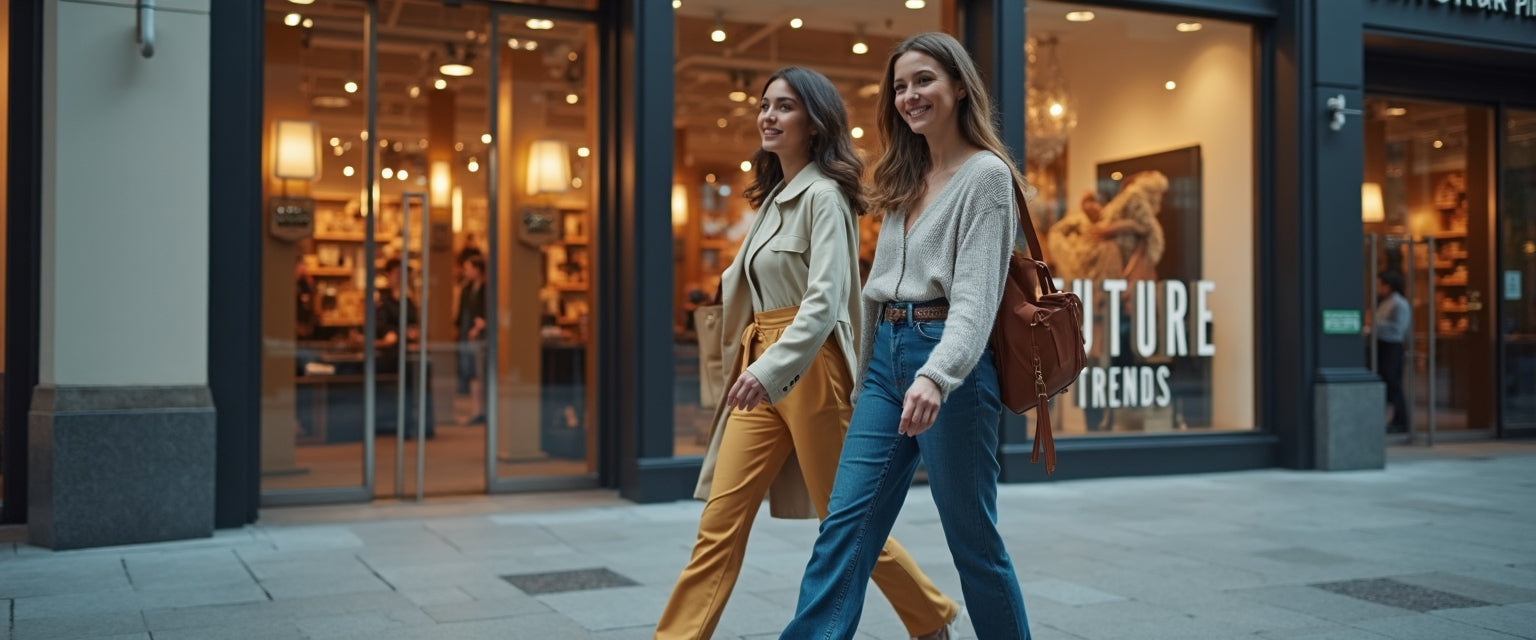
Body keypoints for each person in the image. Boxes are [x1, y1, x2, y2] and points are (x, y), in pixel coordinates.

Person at [654, 66, 961, 640]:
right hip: (762, 365)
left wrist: (768, 370)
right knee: (720, 520)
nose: (768, 116)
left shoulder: (824, 196)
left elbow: (823, 305)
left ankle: (928, 616)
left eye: (785, 106)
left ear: (815, 124)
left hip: (809, 369)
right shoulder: (772, 200)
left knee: (843, 520)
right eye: (765, 105)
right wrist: (752, 365)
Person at [778, 33, 1033, 639]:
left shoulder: (987, 177)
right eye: (900, 86)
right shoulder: (901, 175)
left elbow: (975, 300)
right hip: (888, 364)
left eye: (924, 80)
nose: (910, 96)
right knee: (845, 526)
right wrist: (872, 376)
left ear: (958, 86)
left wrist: (936, 376)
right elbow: (879, 292)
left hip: (949, 367)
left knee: (972, 539)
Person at [1375, 270, 1411, 432]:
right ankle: (1394, 420)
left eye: (1379, 284)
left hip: (1392, 346)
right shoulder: (1385, 302)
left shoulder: (1399, 303)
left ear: (1388, 286)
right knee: (1388, 384)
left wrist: (1375, 325)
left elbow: (1398, 328)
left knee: (1394, 384)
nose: (1377, 288)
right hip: (1382, 345)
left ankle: (1401, 421)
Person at [455, 252, 488, 424]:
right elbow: (462, 315)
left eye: (468, 268)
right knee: (472, 373)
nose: (465, 272)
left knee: (482, 372)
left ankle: (484, 409)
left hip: (483, 337)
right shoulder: (466, 290)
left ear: (477, 270)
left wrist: (483, 323)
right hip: (468, 336)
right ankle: (477, 410)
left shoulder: (488, 288)